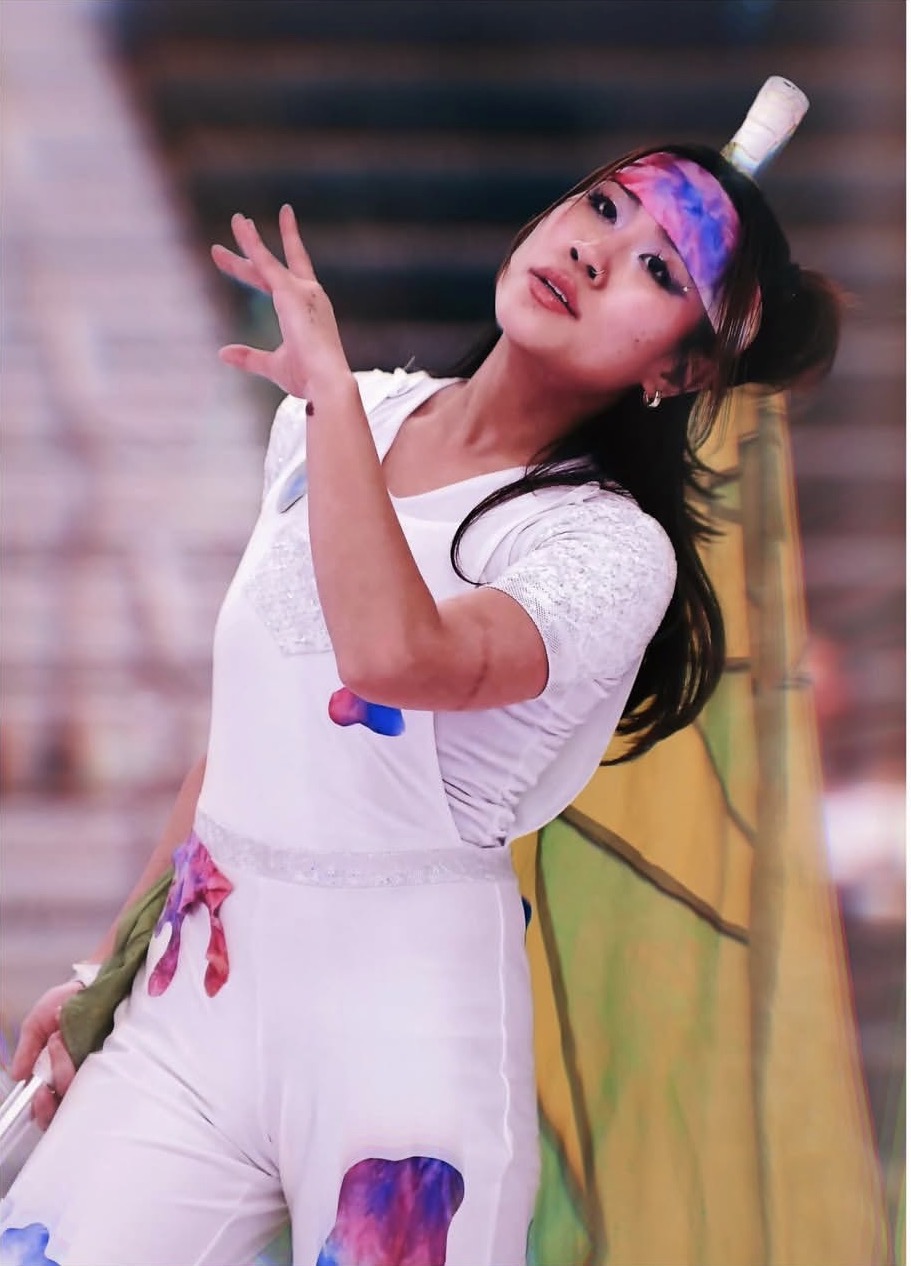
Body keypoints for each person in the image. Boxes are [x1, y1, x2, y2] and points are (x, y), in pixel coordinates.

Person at [0, 83, 843, 1266]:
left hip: (402, 1063)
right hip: (193, 1009)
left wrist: (329, 402)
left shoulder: (604, 549)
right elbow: (245, 745)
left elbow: (395, 657)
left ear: (680, 369)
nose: (595, 253)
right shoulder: (342, 418)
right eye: (602, 207)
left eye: (657, 271)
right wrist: (111, 967)